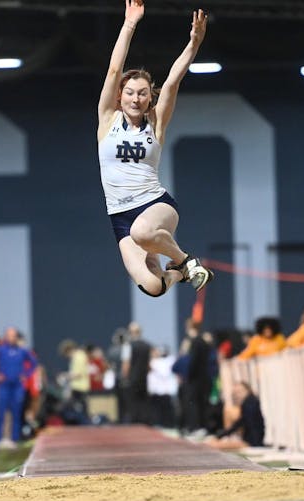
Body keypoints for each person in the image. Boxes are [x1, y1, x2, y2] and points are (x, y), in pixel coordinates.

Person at [97, 0, 213, 296]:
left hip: (155, 205)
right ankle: (179, 271)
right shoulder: (107, 120)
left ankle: (186, 260)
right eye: (130, 93)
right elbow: (113, 70)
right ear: (120, 96)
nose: (136, 99)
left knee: (144, 232)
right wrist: (129, 24)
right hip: (119, 216)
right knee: (153, 286)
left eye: (143, 94)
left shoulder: (156, 123)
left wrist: (194, 44)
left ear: (150, 98)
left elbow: (173, 82)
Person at [0, 327, 38, 446]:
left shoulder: (23, 351)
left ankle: (14, 439)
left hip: (17, 386)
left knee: (16, 412)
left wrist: (26, 374)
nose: (11, 338)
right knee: (1, 412)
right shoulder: (0, 350)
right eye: (9, 335)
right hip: (4, 385)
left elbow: (34, 364)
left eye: (13, 335)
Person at [214, 382, 265, 447]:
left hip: (254, 441)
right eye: (235, 393)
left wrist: (224, 434)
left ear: (247, 391)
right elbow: (242, 421)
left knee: (217, 445)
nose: (237, 395)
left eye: (240, 392)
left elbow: (246, 423)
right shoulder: (249, 402)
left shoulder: (249, 403)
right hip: (254, 440)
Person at [121, 321, 153, 423]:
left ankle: (135, 422)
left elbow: (126, 364)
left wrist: (125, 377)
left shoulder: (128, 346)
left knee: (133, 402)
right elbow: (149, 365)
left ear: (131, 332)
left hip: (132, 378)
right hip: (143, 378)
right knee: (144, 402)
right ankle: (145, 422)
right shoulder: (147, 345)